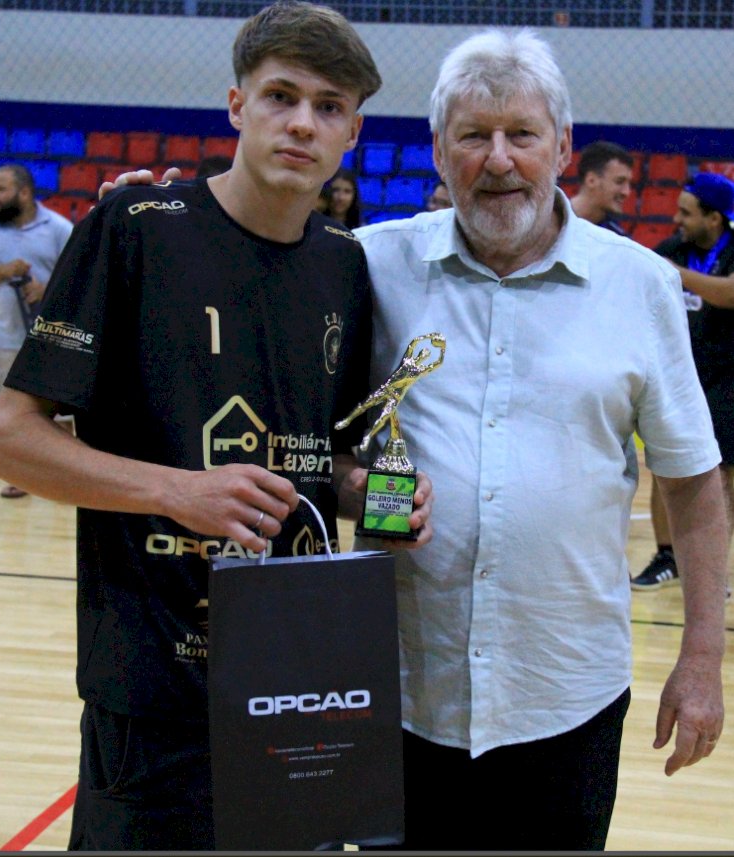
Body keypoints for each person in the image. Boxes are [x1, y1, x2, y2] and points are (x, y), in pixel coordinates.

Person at [0, 3, 432, 850]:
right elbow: (6, 438)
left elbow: (329, 459)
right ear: (237, 105)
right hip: (150, 684)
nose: (302, 123)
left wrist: (384, 499)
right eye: (281, 96)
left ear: (353, 133)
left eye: (329, 107)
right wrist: (177, 490)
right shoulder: (132, 229)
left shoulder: (345, 265)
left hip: (296, 682)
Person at [350, 28, 726, 851]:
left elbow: (694, 483)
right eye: (472, 136)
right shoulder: (370, 266)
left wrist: (702, 659)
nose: (499, 160)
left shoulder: (640, 284)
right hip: (398, 693)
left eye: (521, 134)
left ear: (561, 147)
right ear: (437, 150)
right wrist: (152, 216)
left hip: (567, 695)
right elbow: (320, 435)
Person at [632, 171, 734, 592]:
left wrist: (673, 274)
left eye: (686, 213)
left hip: (727, 380)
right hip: (677, 375)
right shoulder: (674, 249)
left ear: (714, 218)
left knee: (723, 474)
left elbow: (729, 293)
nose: (676, 219)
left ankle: (714, 570)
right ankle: (667, 556)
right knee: (666, 463)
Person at [0, 164, 73, 498]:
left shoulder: (59, 229)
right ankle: (19, 477)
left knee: (55, 415)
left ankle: (64, 476)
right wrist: (4, 270)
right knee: (2, 414)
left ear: (23, 192)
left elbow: (79, 280)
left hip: (49, 340)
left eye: (1, 189)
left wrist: (45, 289)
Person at [569, 139, 634, 234]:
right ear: (591, 180)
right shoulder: (550, 222)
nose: (626, 192)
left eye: (629, 184)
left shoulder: (615, 238)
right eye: (619, 182)